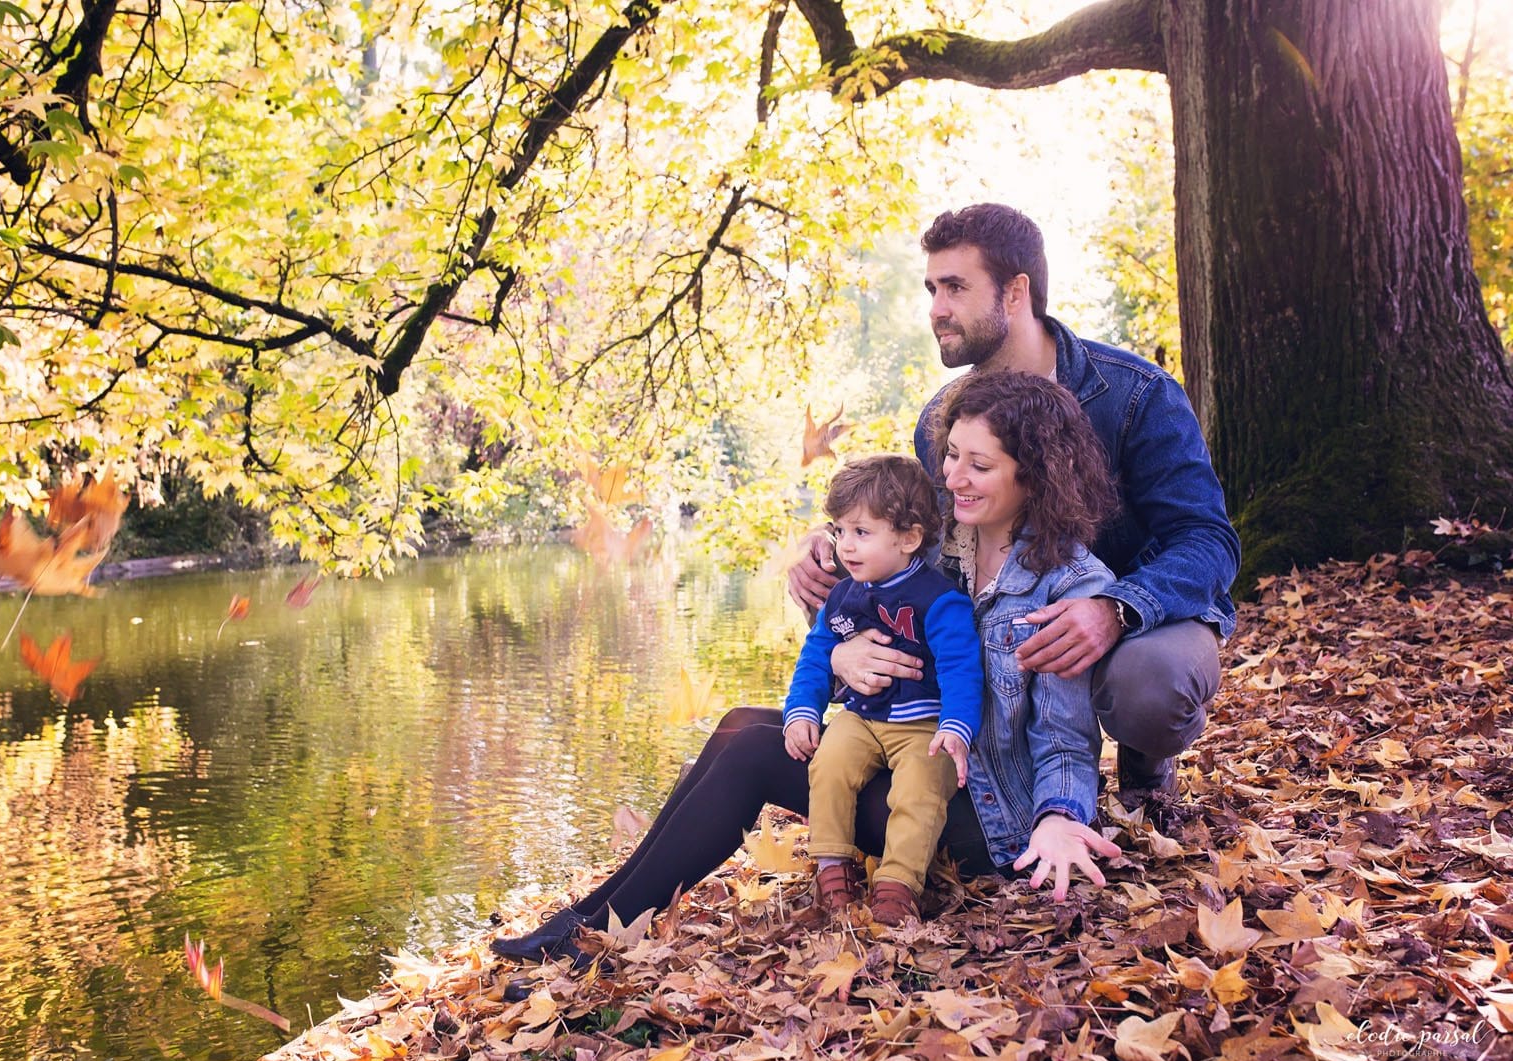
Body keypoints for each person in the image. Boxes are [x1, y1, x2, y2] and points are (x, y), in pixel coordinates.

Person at [491, 371, 1123, 971]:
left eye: (978, 466)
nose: (952, 476)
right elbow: (855, 635)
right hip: (901, 755)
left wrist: (1061, 820)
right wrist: (841, 652)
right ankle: (589, 915)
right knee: (741, 725)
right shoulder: (933, 542)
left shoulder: (1067, 586)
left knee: (753, 754)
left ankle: (594, 930)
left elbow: (1066, 739)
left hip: (983, 815)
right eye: (952, 454)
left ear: (1033, 477)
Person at [789, 204, 1240, 810]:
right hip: (1014, 623)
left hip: (1140, 616)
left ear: (1015, 292)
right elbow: (920, 533)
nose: (936, 309)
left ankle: (1145, 763)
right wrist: (836, 541)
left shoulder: (1136, 395)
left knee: (1147, 687)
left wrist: (1115, 608)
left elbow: (1208, 540)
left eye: (955, 287)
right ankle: (966, 768)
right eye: (931, 288)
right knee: (847, 590)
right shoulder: (940, 418)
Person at [781, 455, 981, 925]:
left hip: (924, 722)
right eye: (840, 531)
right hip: (861, 718)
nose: (846, 547)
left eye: (862, 533)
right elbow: (816, 656)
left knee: (921, 786)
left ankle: (897, 885)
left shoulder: (939, 600)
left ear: (909, 538)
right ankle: (832, 867)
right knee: (828, 762)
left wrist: (957, 727)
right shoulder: (843, 594)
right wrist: (802, 712)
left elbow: (962, 670)